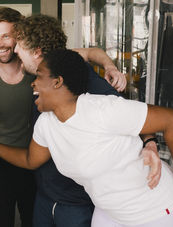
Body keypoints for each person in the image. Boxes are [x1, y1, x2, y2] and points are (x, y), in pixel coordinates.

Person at [0, 49, 173, 227]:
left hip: (157, 210)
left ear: (57, 82)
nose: (32, 83)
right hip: (109, 214)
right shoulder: (46, 124)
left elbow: (170, 120)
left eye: (39, 76)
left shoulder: (101, 109)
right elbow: (31, 159)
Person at [0, 7, 131, 227]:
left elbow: (125, 111)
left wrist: (110, 66)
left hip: (59, 181)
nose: (4, 45)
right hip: (22, 173)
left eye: (8, 37)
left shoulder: (61, 68)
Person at [11, 14, 162, 227]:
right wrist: (108, 64)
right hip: (46, 193)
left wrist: (150, 143)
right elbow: (91, 52)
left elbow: (136, 117)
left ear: (37, 53)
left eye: (19, 45)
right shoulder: (51, 68)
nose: (14, 50)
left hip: (77, 202)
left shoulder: (86, 81)